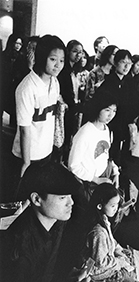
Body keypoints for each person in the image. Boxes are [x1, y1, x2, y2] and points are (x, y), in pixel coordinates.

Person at [0, 161, 91, 282]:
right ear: (36, 199)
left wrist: (66, 278)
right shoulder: (19, 251)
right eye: (62, 198)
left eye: (70, 196)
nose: (71, 202)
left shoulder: (56, 221)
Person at [11, 34, 65, 193]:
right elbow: (24, 129)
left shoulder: (55, 82)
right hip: (27, 155)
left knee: (39, 196)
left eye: (61, 60)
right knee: (21, 197)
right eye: (53, 59)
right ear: (42, 57)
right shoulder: (27, 87)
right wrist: (26, 163)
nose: (58, 65)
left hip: (46, 152)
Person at [80, 183, 136, 282]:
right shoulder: (98, 232)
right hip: (94, 267)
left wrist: (119, 249)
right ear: (100, 206)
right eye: (112, 206)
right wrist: (120, 261)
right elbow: (101, 262)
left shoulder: (103, 218)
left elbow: (111, 240)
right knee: (130, 279)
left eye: (117, 205)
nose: (116, 209)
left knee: (128, 256)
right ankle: (94, 280)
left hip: (104, 257)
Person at [68, 88, 119, 204]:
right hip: (89, 181)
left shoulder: (106, 129)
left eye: (114, 111)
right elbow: (73, 166)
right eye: (107, 110)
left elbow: (105, 156)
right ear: (98, 108)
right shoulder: (85, 133)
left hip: (103, 176)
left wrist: (115, 172)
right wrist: (95, 180)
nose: (111, 115)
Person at [100, 49, 133, 166]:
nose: (126, 66)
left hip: (119, 122)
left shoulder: (126, 82)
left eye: (129, 63)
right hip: (108, 121)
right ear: (115, 63)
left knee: (115, 147)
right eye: (123, 62)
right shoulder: (109, 81)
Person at [58, 39, 84, 158]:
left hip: (73, 106)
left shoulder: (76, 70)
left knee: (70, 134)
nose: (78, 55)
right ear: (68, 52)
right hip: (65, 106)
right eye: (75, 51)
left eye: (80, 52)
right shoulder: (64, 69)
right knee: (63, 134)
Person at [1, 33, 25, 128]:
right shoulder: (3, 56)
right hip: (4, 85)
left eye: (20, 44)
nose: (18, 46)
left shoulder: (21, 58)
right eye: (16, 43)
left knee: (14, 110)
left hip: (14, 87)